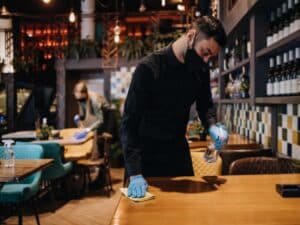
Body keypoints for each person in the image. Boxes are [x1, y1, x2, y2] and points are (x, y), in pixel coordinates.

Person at [120, 16, 229, 198]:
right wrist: (135, 172)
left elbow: (205, 106)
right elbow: (129, 124)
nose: (206, 60)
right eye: (205, 52)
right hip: (145, 159)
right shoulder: (148, 69)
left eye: (210, 57)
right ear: (191, 35)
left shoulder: (200, 71)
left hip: (177, 154)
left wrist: (213, 127)